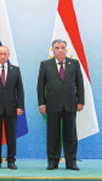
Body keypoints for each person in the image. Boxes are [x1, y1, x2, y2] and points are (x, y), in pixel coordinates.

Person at [37, 39, 84, 170]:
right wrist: (41, 103)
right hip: (52, 105)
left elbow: (80, 84)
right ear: (53, 50)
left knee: (71, 135)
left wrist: (80, 101)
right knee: (53, 135)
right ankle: (52, 161)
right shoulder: (45, 65)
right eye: (57, 48)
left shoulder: (74, 64)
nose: (60, 50)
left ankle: (71, 162)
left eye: (62, 47)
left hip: (70, 104)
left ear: (66, 49)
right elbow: (40, 86)